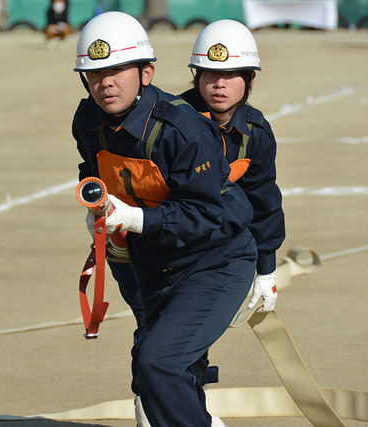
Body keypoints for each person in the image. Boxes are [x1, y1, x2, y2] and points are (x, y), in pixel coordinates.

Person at [72, 11, 257, 427]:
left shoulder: (182, 130)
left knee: (161, 362)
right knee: (152, 369)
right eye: (95, 72)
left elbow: (209, 215)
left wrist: (134, 218)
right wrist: (100, 206)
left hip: (215, 261)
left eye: (118, 69)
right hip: (152, 262)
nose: (105, 82)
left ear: (146, 72)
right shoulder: (87, 120)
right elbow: (92, 167)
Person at [181, 19, 285, 312]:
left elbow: (263, 201)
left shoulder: (256, 134)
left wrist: (266, 270)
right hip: (166, 247)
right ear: (196, 75)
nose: (219, 84)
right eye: (210, 73)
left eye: (230, 74)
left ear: (250, 79)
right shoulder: (172, 123)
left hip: (221, 248)